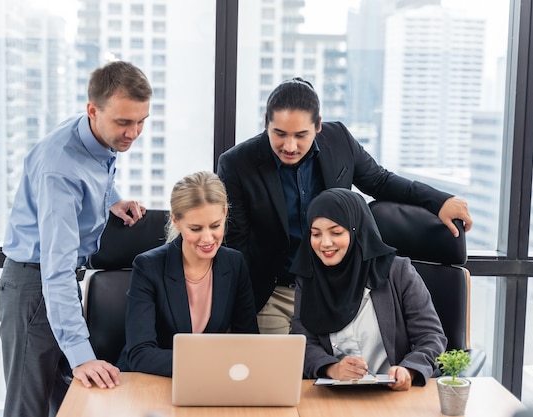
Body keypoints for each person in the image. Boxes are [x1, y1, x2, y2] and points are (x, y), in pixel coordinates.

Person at [217, 77, 473, 334]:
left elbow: (381, 181)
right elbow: (236, 245)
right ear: (266, 124)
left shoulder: (338, 139)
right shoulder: (237, 163)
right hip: (276, 293)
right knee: (282, 370)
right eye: (280, 134)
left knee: (341, 370)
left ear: (318, 126)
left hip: (335, 288)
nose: (290, 146)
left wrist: (438, 201)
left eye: (300, 135)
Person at [0, 61, 152, 417]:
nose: (134, 132)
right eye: (124, 122)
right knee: (27, 409)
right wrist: (82, 355)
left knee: (65, 407)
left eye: (141, 120)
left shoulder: (92, 134)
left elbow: (96, 170)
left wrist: (111, 200)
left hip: (51, 287)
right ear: (93, 110)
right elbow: (56, 269)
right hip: (35, 288)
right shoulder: (60, 170)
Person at [290, 188, 447, 390]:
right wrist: (332, 368)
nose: (325, 243)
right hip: (337, 396)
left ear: (357, 230)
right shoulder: (309, 277)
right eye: (316, 234)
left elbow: (431, 337)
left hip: (394, 394)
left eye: (336, 232)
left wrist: (409, 370)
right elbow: (303, 343)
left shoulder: (398, 272)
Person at [117, 171, 259, 377]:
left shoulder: (234, 263)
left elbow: (248, 341)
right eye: (196, 228)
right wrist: (207, 364)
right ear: (176, 221)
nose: (208, 238)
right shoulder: (149, 266)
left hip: (209, 383)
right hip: (151, 381)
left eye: (215, 226)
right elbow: (140, 354)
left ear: (225, 214)